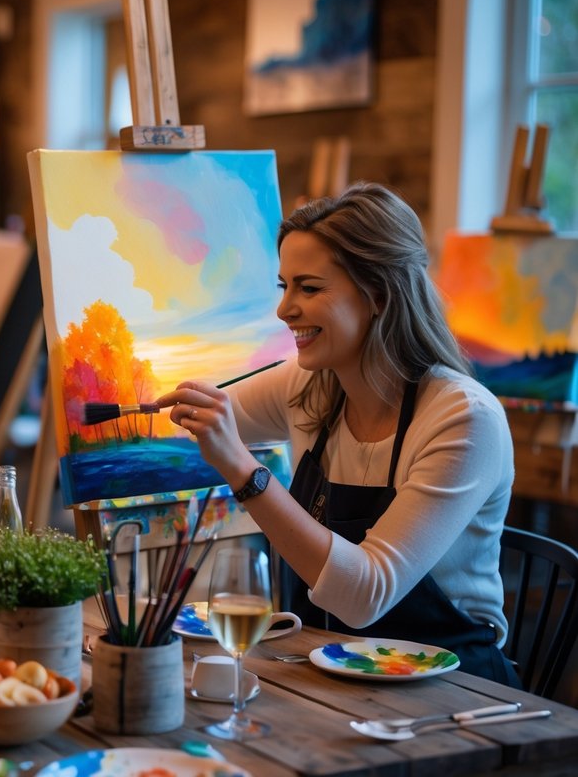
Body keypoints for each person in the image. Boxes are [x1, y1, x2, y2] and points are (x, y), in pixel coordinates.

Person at [158, 182, 518, 684]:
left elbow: (363, 594)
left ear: (377, 295)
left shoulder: (464, 419)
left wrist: (244, 472)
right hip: (328, 668)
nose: (285, 309)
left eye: (308, 288)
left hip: (453, 690)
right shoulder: (309, 386)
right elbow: (193, 419)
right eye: (283, 286)